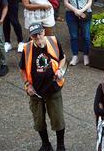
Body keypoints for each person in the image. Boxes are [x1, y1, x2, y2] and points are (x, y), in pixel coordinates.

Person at [20, 23, 66, 151]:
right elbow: (23, 69)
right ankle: (46, 145)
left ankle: (61, 146)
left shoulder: (54, 42)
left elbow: (62, 59)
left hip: (53, 88)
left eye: (39, 33)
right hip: (36, 91)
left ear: (44, 32)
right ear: (31, 36)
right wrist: (27, 84)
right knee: (38, 121)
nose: (38, 37)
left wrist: (60, 71)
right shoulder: (27, 48)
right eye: (34, 35)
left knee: (58, 119)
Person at [63, 0, 93, 67]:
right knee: (74, 36)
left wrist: (81, 11)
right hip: (71, 13)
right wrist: (75, 10)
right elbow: (66, 2)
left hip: (85, 13)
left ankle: (86, 55)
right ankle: (75, 55)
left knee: (86, 36)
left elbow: (90, 2)